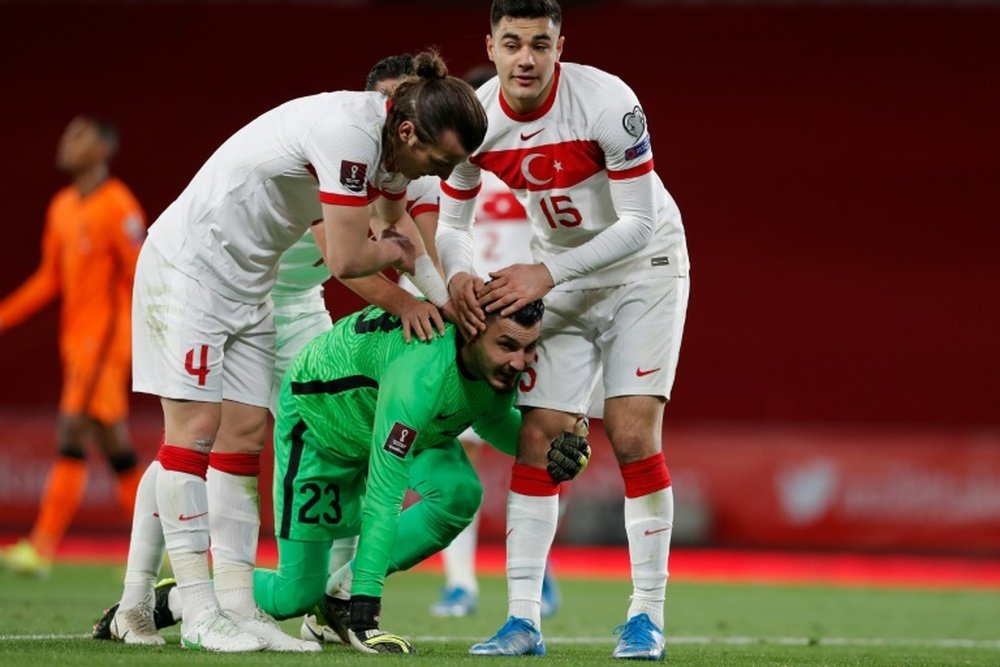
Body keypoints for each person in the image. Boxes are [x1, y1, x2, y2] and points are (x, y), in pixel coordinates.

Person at [108, 50, 488, 653]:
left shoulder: (397, 154)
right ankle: (186, 606)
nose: (437, 174)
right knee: (193, 433)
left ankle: (237, 606)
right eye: (437, 160)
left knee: (243, 437)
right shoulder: (348, 137)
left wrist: (444, 306)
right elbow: (350, 257)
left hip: (259, 283)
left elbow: (409, 237)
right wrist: (406, 282)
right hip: (193, 267)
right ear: (404, 122)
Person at [437, 1, 690, 660]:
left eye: (540, 44)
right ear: (489, 46)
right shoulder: (477, 119)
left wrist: (545, 273)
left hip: (647, 267)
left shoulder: (608, 103)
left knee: (632, 430)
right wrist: (459, 277)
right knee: (539, 437)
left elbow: (635, 223)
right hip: (565, 274)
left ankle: (647, 616)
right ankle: (522, 620)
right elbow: (451, 225)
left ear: (560, 47)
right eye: (512, 42)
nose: (526, 57)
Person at [0, 116, 146, 578]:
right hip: (76, 345)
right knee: (117, 449)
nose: (64, 143)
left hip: (105, 344)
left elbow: (140, 274)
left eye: (76, 135)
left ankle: (41, 548)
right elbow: (49, 279)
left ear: (103, 148)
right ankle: (162, 545)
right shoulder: (62, 206)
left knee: (70, 433)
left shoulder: (119, 206)